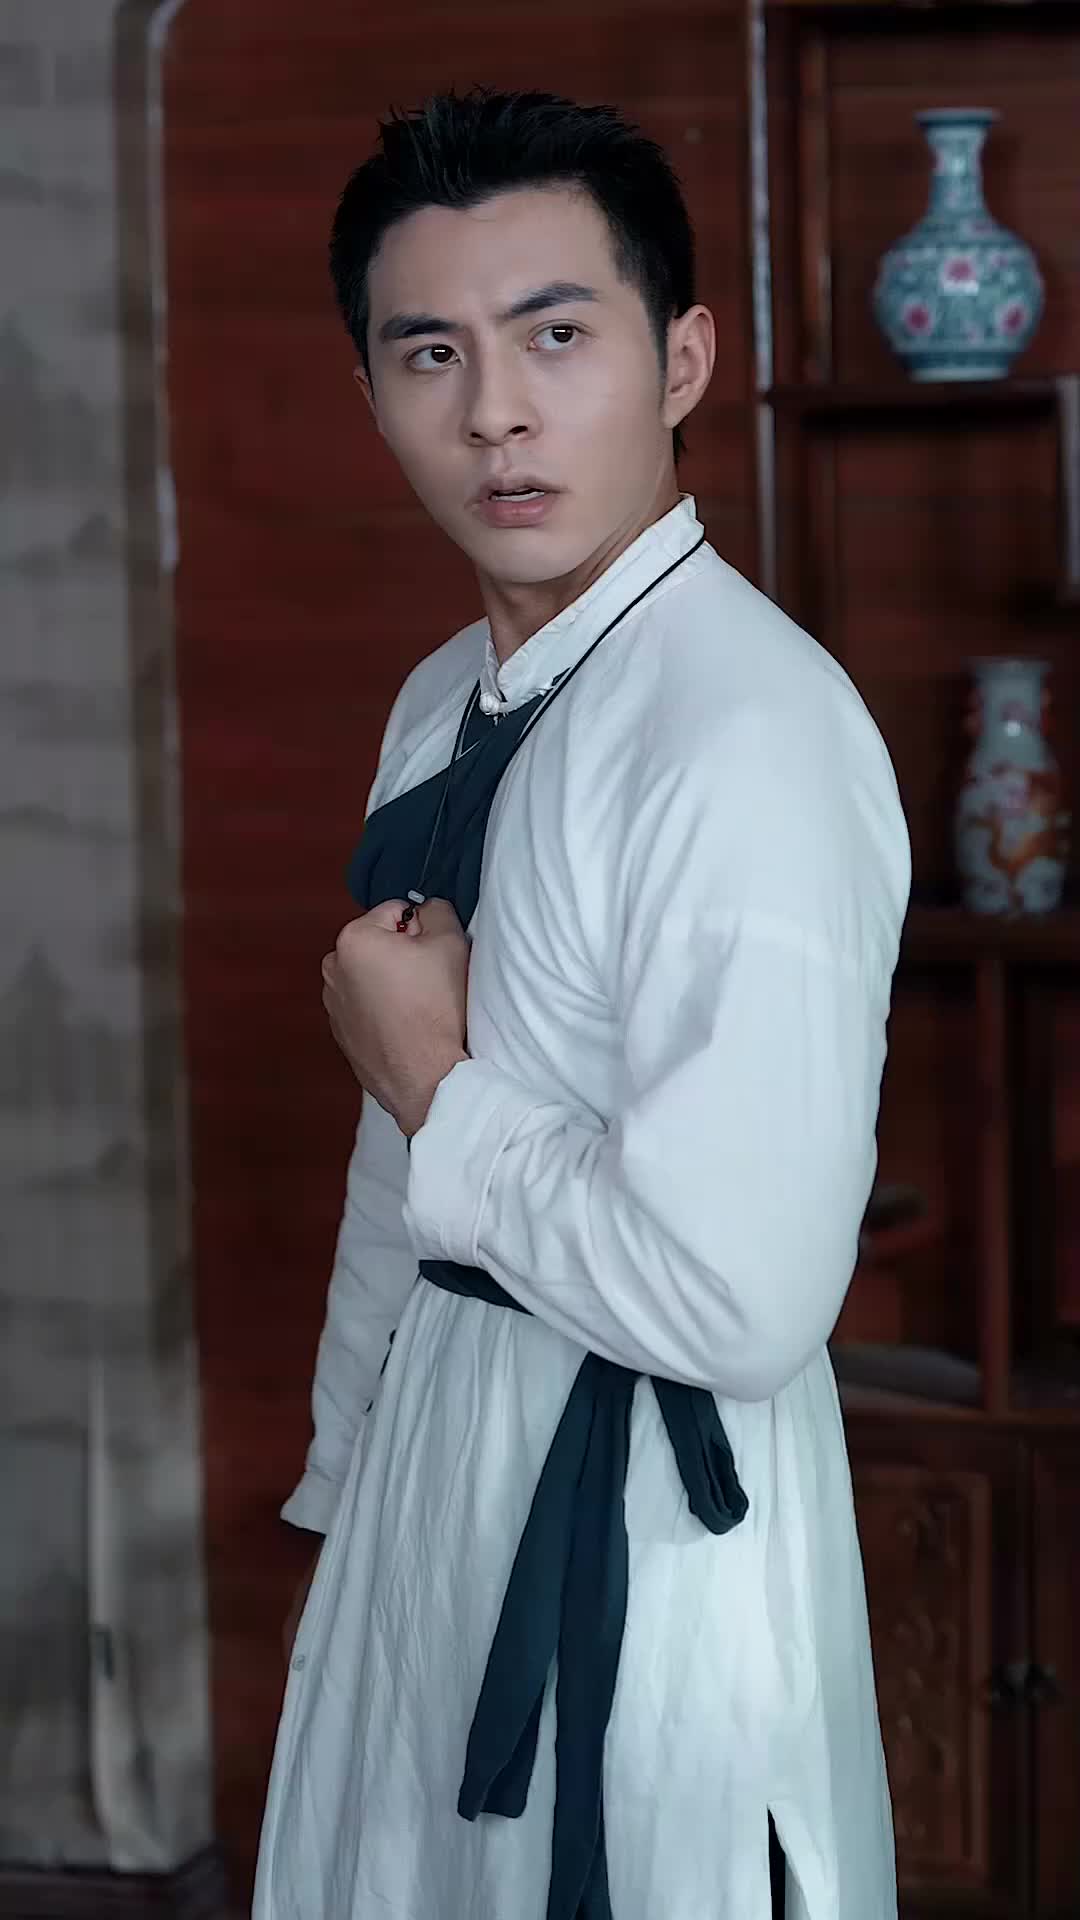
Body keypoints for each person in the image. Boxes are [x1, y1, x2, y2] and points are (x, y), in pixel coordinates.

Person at [253, 88, 911, 1920]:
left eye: (556, 336)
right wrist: (348, 1495)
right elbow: (397, 1172)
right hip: (432, 1468)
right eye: (431, 355)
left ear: (681, 358)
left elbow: (741, 1301)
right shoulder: (437, 704)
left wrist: (441, 1090)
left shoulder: (747, 733)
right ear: (373, 392)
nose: (496, 413)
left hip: (644, 1511)